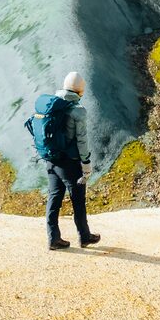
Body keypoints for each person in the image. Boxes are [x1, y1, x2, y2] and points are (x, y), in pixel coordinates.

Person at [25, 71, 101, 250]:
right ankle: (84, 236)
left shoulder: (53, 105)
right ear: (80, 91)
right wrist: (86, 163)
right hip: (69, 162)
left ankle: (54, 238)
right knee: (78, 200)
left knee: (54, 198)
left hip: (51, 159)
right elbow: (82, 140)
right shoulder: (78, 111)